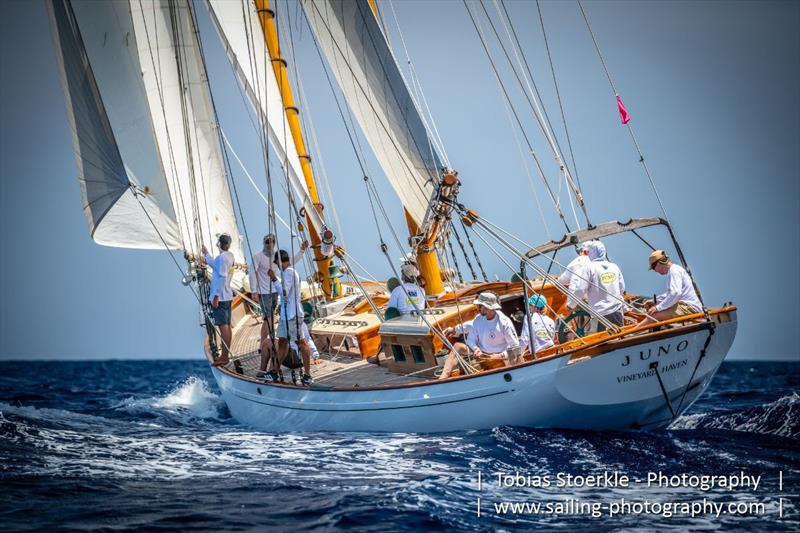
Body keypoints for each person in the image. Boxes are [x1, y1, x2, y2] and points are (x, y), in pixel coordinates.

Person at [439, 292, 519, 379]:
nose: (478, 308)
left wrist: (500, 356)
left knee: (514, 359)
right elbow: (470, 340)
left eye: (480, 306)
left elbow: (515, 346)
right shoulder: (478, 319)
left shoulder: (504, 322)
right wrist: (476, 349)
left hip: (500, 356)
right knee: (458, 346)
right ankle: (442, 378)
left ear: (488, 307)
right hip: (482, 354)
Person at [270, 250, 313, 385]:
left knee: (301, 342)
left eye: (276, 262)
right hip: (287, 315)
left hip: (292, 315)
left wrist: (274, 279)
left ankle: (307, 374)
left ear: (279, 261)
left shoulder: (289, 272)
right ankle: (274, 372)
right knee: (282, 342)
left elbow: (284, 293)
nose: (276, 265)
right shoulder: (288, 272)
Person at [568, 240, 626, 331]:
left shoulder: (589, 268)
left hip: (599, 314)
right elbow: (622, 288)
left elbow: (580, 290)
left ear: (592, 252)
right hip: (617, 311)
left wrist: (571, 305)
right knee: (620, 336)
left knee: (601, 342)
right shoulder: (614, 266)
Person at [639, 250, 703, 325]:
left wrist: (657, 308)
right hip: (688, 306)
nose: (655, 271)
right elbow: (671, 293)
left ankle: (632, 335)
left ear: (659, 263)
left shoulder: (674, 271)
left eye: (653, 268)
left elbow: (675, 293)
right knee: (655, 314)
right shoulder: (674, 270)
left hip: (689, 307)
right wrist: (654, 301)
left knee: (653, 316)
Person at [203, 233, 235, 366]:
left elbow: (221, 277)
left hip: (220, 298)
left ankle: (225, 357)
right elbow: (215, 266)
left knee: (224, 327)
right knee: (227, 325)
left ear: (220, 244)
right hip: (227, 296)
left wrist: (215, 297)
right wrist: (206, 254)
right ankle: (225, 354)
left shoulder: (222, 258)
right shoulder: (229, 256)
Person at [251, 234, 280, 374]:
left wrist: (302, 251)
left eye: (272, 242)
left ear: (274, 243)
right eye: (267, 242)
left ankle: (267, 342)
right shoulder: (258, 256)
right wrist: (253, 291)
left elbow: (290, 261)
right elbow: (252, 272)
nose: (270, 244)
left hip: (275, 290)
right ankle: (264, 343)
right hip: (263, 292)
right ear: (264, 243)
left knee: (271, 317)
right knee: (268, 317)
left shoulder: (276, 255)